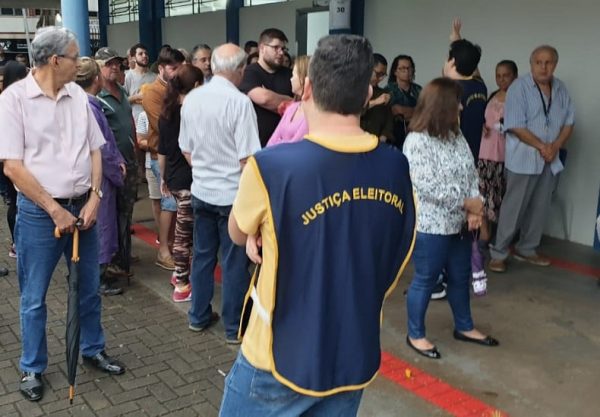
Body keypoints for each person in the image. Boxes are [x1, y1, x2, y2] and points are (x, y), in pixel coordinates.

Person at [220, 34, 416, 417]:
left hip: (276, 356)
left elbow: (237, 232)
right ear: (367, 94)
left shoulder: (271, 167)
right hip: (354, 351)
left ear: (307, 88)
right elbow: (397, 253)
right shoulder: (396, 166)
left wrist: (260, 233)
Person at [0, 26, 125, 403]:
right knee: (34, 296)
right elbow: (12, 166)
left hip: (83, 208)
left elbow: (95, 151)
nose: (82, 64)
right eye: (74, 56)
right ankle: (32, 366)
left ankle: (92, 348)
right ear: (55, 60)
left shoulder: (78, 97)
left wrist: (95, 198)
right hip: (40, 215)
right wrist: (55, 210)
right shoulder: (13, 100)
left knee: (88, 288)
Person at [403, 78, 499, 360]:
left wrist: (474, 208)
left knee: (460, 276)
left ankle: (465, 327)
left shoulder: (456, 136)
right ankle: (416, 334)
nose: (461, 107)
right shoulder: (417, 141)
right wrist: (466, 203)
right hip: (431, 225)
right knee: (426, 278)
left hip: (459, 223)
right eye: (456, 102)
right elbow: (426, 186)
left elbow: (471, 172)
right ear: (441, 105)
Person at [178, 43, 261, 343]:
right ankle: (233, 327)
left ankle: (198, 316)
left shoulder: (192, 99)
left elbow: (186, 148)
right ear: (240, 70)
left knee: (202, 256)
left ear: (212, 66)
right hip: (232, 197)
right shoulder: (240, 103)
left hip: (201, 191)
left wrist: (205, 169)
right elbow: (248, 159)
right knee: (233, 262)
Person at [489, 46, 575, 273]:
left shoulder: (561, 89)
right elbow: (516, 125)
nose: (543, 67)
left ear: (555, 64)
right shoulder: (519, 88)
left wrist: (555, 147)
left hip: (549, 159)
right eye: (538, 62)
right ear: (531, 64)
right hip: (523, 159)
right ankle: (499, 253)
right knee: (513, 208)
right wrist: (542, 146)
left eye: (548, 62)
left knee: (539, 208)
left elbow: (569, 122)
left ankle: (527, 248)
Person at [75, 57, 126, 296]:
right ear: (96, 79)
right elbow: (102, 148)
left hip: (89, 175)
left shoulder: (79, 104)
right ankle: (98, 277)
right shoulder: (90, 108)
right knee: (102, 225)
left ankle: (95, 271)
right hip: (100, 177)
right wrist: (117, 169)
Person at [158, 64, 204, 302]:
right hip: (190, 180)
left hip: (174, 178)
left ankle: (178, 275)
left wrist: (163, 178)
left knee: (183, 231)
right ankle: (182, 286)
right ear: (196, 85)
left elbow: (162, 151)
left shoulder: (167, 111)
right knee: (184, 235)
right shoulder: (194, 112)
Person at [95, 47, 138, 279]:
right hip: (111, 167)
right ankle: (110, 260)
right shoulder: (97, 97)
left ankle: (123, 255)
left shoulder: (121, 90)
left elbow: (129, 121)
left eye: (117, 63)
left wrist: (136, 150)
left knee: (126, 212)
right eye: (109, 63)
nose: (115, 67)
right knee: (110, 215)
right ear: (98, 67)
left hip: (129, 161)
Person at [143, 45, 185, 271]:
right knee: (169, 202)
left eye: (180, 67)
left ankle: (174, 247)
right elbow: (162, 125)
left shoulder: (175, 89)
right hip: (161, 154)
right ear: (161, 68)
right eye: (173, 67)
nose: (178, 72)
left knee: (176, 204)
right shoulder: (152, 92)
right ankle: (164, 251)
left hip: (175, 154)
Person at [478, 60, 518, 241]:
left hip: (505, 155)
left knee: (500, 195)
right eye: (498, 76)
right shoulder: (492, 96)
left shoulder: (518, 99)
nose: (502, 79)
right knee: (482, 193)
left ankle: (502, 235)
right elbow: (483, 118)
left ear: (515, 76)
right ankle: (484, 232)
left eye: (506, 75)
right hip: (485, 152)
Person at [239, 28, 293, 146]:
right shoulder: (250, 72)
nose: (281, 53)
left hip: (286, 144)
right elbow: (265, 98)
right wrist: (292, 102)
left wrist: (273, 98)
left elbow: (302, 105)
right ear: (262, 48)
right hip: (259, 145)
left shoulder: (290, 74)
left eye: (283, 48)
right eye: (276, 47)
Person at [0, 60, 27, 260]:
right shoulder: (7, 102)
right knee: (15, 202)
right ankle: (17, 243)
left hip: (20, 159)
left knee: (17, 201)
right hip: (10, 161)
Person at [443, 38, 487, 160]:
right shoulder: (480, 86)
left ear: (452, 61)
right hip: (473, 155)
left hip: (453, 157)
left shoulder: (450, 91)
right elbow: (473, 68)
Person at [266, 55, 309, 147]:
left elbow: (295, 145)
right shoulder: (292, 108)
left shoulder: (312, 113)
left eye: (293, 75)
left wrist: (279, 143)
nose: (291, 79)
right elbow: (273, 139)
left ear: (304, 78)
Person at [387, 54, 421, 148]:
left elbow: (426, 113)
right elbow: (396, 110)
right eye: (402, 68)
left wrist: (404, 112)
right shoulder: (388, 90)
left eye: (409, 68)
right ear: (395, 71)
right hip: (395, 137)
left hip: (416, 135)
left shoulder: (419, 90)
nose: (406, 71)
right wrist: (416, 111)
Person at [361, 53, 394, 142]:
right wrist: (375, 102)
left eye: (383, 75)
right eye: (378, 74)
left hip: (378, 142)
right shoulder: (353, 90)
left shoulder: (383, 93)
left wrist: (384, 136)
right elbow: (353, 111)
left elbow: (389, 121)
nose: (381, 78)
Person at [124, 43, 156, 121]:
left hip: (152, 119)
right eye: (140, 54)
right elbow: (122, 101)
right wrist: (136, 97)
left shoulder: (155, 77)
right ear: (133, 58)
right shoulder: (128, 76)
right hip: (135, 120)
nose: (144, 56)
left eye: (146, 53)